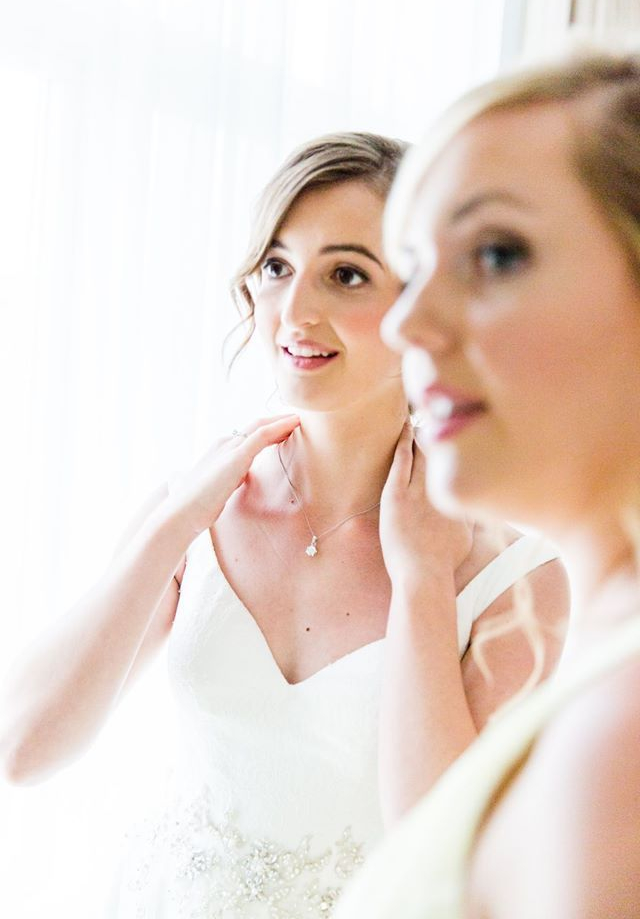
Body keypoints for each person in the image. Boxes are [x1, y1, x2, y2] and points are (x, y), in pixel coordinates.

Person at [0, 133, 566, 917]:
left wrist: (423, 583)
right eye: (275, 267)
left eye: (346, 274)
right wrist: (172, 528)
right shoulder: (197, 507)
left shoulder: (513, 578)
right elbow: (24, 749)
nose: (295, 311)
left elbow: (441, 859)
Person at [334, 52, 640, 919]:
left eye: (497, 254)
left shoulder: (624, 736)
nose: (406, 324)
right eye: (413, 267)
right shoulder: (604, 653)